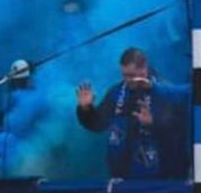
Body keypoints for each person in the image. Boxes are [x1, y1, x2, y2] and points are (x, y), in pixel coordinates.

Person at [76, 47, 187, 179]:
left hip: (159, 175)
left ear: (144, 69)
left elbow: (180, 129)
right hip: (120, 174)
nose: (128, 80)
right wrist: (86, 108)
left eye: (132, 76)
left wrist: (153, 123)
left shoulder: (165, 91)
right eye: (124, 75)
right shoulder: (116, 92)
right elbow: (98, 124)